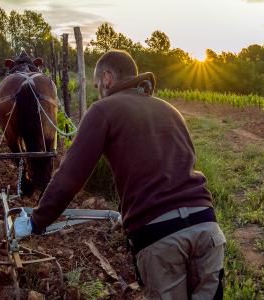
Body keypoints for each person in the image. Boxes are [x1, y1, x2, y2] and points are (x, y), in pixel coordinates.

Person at [14, 50, 226, 299]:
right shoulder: (170, 110)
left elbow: (70, 176)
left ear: (106, 78)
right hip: (207, 227)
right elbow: (185, 161)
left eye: (97, 85)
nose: (98, 90)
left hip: (160, 236)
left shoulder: (103, 110)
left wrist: (36, 221)